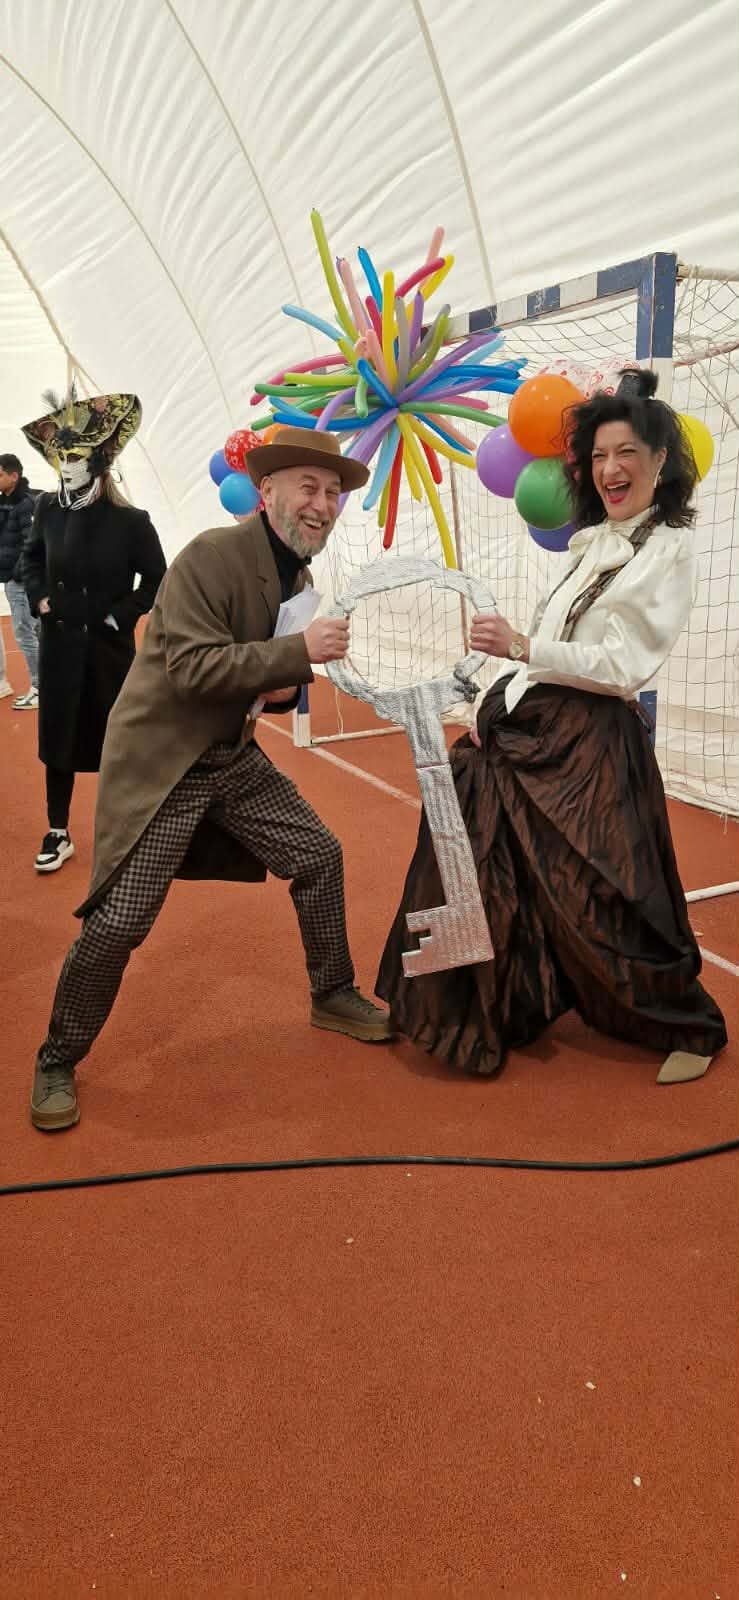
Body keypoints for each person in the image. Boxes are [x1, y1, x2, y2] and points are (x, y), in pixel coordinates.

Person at [30, 425, 392, 1132]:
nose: (322, 505)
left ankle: (332, 993)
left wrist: (283, 684)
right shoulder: (210, 555)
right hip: (167, 758)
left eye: (333, 493)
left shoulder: (298, 576)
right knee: (119, 921)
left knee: (319, 855)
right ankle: (56, 1058)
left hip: (228, 751)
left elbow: (263, 683)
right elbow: (193, 669)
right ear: (266, 491)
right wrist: (296, 652)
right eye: (308, 488)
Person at [377, 370, 727, 1081]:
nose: (609, 469)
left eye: (625, 453)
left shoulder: (669, 551)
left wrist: (519, 648)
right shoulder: (592, 542)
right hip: (532, 731)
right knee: (480, 860)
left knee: (609, 894)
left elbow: (619, 665)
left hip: (590, 746)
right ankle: (478, 1008)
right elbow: (546, 646)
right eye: (598, 456)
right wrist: (493, 702)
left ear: (660, 460)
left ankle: (686, 1027)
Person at [20, 388, 167, 873]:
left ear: (98, 460)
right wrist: (40, 599)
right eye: (60, 456)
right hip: (60, 645)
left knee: (115, 741)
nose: (65, 465)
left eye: (76, 456)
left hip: (107, 649)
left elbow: (157, 578)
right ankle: (58, 830)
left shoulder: (130, 521)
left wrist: (119, 615)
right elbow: (31, 560)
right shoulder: (48, 509)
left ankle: (122, 829)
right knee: (58, 740)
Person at [0, 453, 40, 707]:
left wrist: (17, 574)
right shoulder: (5, 501)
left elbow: (31, 543)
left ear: (14, 476)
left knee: (25, 632)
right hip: (11, 579)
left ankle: (39, 687)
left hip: (21, 581)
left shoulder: (26, 504)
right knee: (31, 631)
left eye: (0, 474)